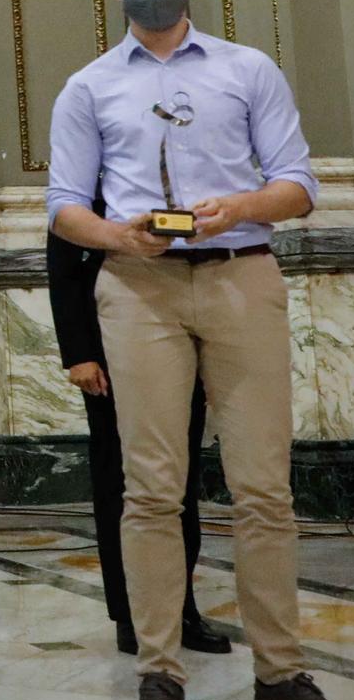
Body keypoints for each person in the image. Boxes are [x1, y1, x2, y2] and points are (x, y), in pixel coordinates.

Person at [47, 0, 354, 700]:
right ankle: (159, 674)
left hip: (241, 274)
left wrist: (243, 205)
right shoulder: (88, 88)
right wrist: (121, 236)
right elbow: (64, 209)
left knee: (264, 487)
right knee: (151, 488)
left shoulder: (246, 69)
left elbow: (298, 183)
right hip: (138, 288)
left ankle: (283, 676)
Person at [45, 192, 229, 658]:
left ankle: (181, 609)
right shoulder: (84, 185)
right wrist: (79, 354)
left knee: (180, 481)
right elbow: (64, 269)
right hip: (107, 351)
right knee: (118, 481)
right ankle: (130, 614)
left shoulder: (178, 182)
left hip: (182, 342)